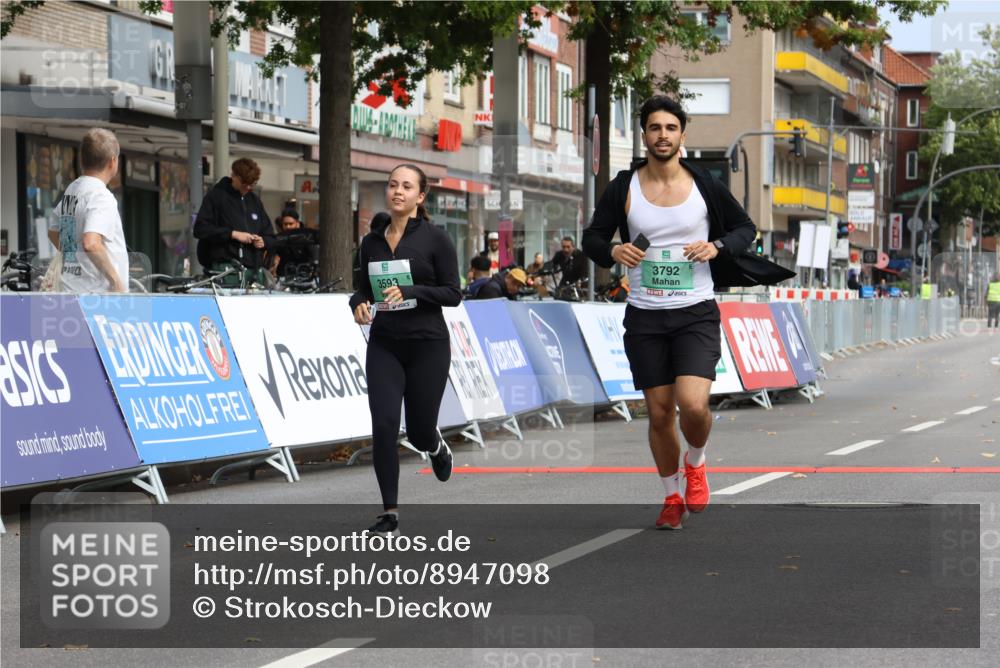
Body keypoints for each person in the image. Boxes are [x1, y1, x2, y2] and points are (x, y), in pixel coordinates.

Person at [582, 95, 756, 530]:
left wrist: (716, 246)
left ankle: (695, 463)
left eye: (671, 128)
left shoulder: (705, 186)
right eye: (655, 128)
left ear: (683, 134)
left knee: (692, 405)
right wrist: (611, 249)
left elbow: (744, 229)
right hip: (645, 315)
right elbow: (592, 238)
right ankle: (670, 496)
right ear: (644, 134)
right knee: (659, 413)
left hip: (695, 312)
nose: (663, 135)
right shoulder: (623, 187)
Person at [350, 164, 463, 536]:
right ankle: (390, 513)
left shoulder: (435, 239)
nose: (398, 191)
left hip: (428, 345)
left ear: (420, 196)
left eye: (407, 186)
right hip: (385, 343)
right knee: (383, 424)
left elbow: (453, 293)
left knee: (417, 432)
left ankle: (435, 446)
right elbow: (363, 287)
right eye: (393, 184)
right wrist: (359, 303)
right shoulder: (372, 242)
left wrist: (413, 290)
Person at [46, 128, 129, 293]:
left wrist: (74, 259)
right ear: (112, 162)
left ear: (82, 160)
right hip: (97, 296)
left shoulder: (73, 190)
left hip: (70, 288)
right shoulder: (101, 196)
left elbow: (53, 232)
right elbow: (91, 243)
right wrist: (116, 281)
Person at [193, 157, 275, 282]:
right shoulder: (216, 197)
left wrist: (263, 241)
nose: (248, 188)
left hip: (254, 270)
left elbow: (270, 234)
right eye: (244, 183)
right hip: (226, 269)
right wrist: (232, 234)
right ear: (233, 176)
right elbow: (200, 229)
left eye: (252, 184)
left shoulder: (254, 201)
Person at [270, 208, 317, 279]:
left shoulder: (307, 237)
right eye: (285, 224)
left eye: (290, 224)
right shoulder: (280, 237)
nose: (288, 227)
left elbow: (313, 256)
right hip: (284, 276)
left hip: (304, 276)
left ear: (297, 223)